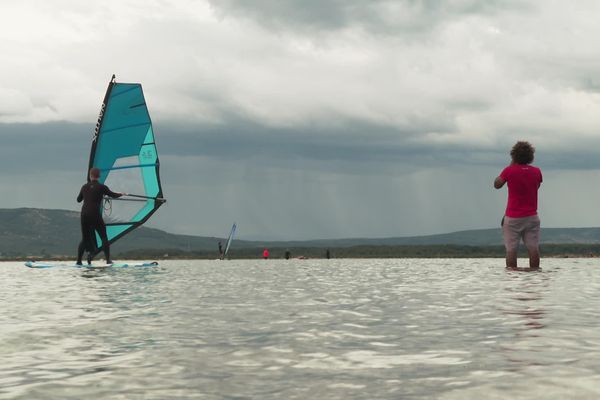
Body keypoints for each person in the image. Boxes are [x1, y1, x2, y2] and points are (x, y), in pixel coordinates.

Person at [494, 141, 543, 270]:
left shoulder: (509, 171)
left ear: (513, 156)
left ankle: (512, 278)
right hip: (532, 216)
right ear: (531, 156)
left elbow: (497, 184)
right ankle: (534, 276)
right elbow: (536, 187)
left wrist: (511, 164)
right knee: (533, 248)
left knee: (511, 249)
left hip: (512, 217)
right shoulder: (537, 171)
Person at [76, 168, 124, 265]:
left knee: (85, 238)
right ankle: (107, 260)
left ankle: (79, 261)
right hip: (94, 214)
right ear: (99, 176)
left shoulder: (84, 187)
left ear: (90, 175)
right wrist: (121, 194)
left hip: (84, 214)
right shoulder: (102, 187)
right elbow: (113, 195)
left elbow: (78, 200)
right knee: (103, 237)